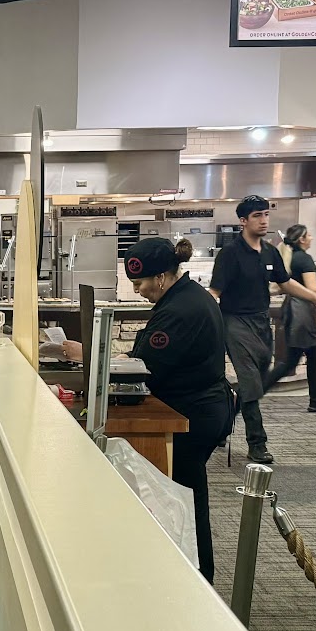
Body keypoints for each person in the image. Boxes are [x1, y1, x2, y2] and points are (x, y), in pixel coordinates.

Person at [124, 236, 230, 582]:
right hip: (200, 407)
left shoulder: (180, 310)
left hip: (192, 415)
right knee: (185, 497)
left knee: (184, 500)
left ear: (160, 277)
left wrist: (95, 358)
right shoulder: (186, 297)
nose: (137, 290)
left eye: (139, 283)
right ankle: (193, 575)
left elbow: (148, 367)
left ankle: (197, 578)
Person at [209, 195, 316, 464]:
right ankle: (257, 443)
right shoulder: (229, 254)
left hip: (261, 323)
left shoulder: (269, 252)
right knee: (251, 382)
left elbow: (285, 283)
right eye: (257, 216)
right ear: (243, 221)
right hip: (234, 322)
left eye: (266, 214)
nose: (264, 220)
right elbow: (214, 292)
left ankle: (220, 427)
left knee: (257, 382)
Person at [263, 224, 316, 413]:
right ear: (301, 239)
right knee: (290, 361)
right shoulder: (304, 259)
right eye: (309, 235)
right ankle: (251, 393)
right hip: (302, 312)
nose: (312, 238)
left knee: (313, 355)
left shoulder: (291, 257)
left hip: (294, 309)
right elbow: (311, 287)